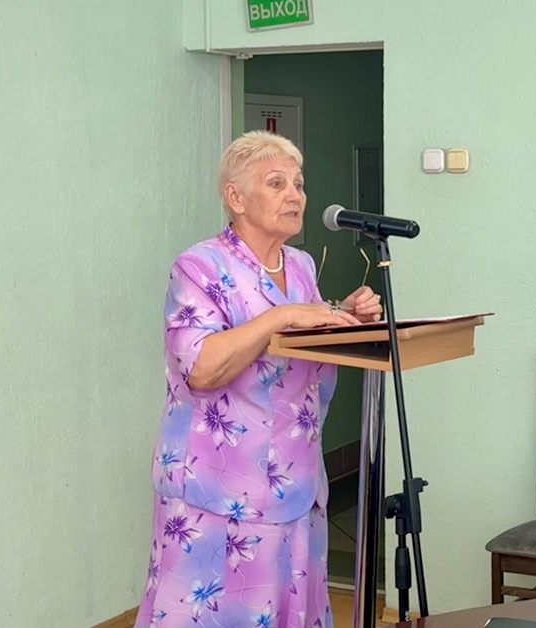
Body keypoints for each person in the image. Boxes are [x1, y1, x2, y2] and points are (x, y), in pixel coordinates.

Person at [136, 131, 382, 628]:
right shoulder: (199, 267)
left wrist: (346, 317)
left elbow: (300, 348)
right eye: (277, 183)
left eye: (299, 184)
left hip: (296, 479)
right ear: (236, 197)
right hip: (218, 488)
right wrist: (281, 316)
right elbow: (201, 369)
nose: (295, 195)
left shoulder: (301, 266)